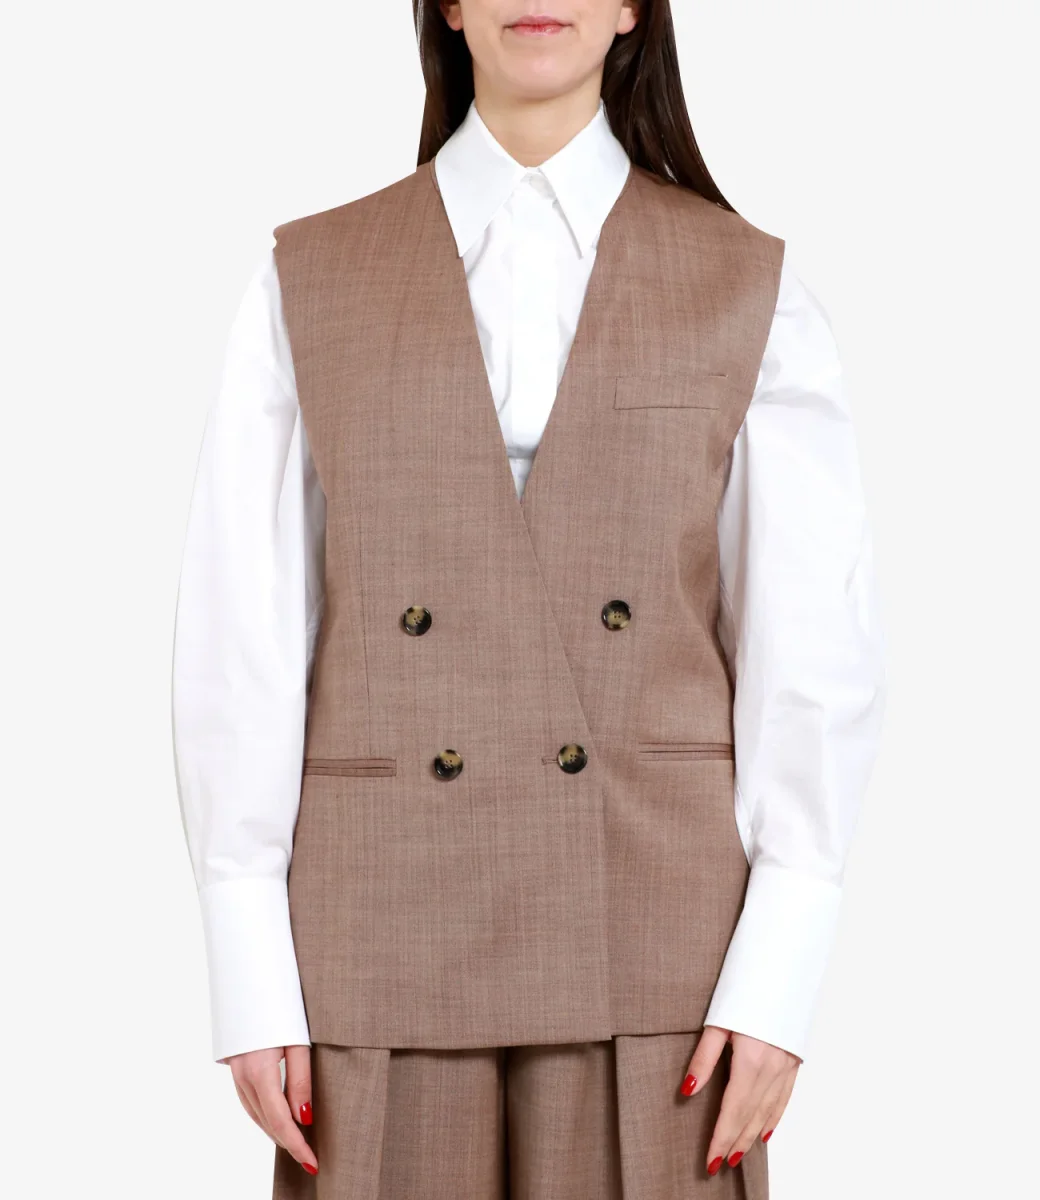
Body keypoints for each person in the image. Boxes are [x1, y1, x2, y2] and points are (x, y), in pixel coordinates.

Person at [171, 2, 886, 1195]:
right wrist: (246, 960)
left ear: (630, 8)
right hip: (378, 924)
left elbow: (810, 647)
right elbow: (241, 629)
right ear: (448, 5)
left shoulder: (745, 283)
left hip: (657, 945)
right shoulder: (309, 276)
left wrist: (780, 970)